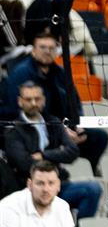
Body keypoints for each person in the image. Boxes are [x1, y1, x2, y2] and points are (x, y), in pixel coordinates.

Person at [0, 28, 108, 168]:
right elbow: (19, 113)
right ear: (33, 50)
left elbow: (75, 103)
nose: (47, 51)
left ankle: (83, 169)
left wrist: (77, 126)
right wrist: (61, 131)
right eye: (42, 47)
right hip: (31, 129)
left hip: (60, 128)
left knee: (99, 138)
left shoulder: (61, 73)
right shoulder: (20, 74)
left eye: (51, 48)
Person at [5, 81, 102, 219]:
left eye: (37, 99)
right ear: (20, 101)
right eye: (28, 99)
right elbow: (24, 163)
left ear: (43, 100)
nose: (33, 103)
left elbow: (73, 151)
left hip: (58, 185)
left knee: (93, 189)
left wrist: (43, 155)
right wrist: (58, 154)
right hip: (31, 190)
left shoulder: (53, 122)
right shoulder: (14, 131)